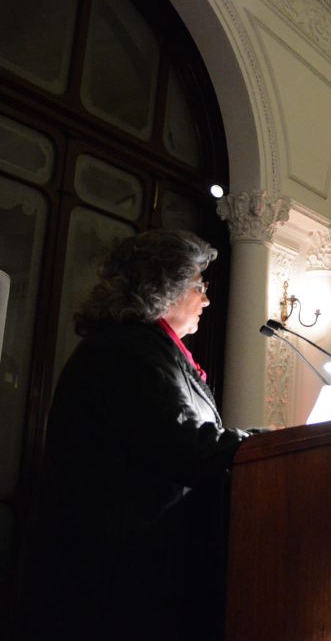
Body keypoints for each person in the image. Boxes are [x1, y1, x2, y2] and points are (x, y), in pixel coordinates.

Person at [19, 230, 250, 640]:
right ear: (164, 287)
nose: (206, 299)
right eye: (199, 286)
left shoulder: (151, 349)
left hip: (139, 566)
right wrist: (267, 442)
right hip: (116, 575)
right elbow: (186, 447)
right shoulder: (127, 351)